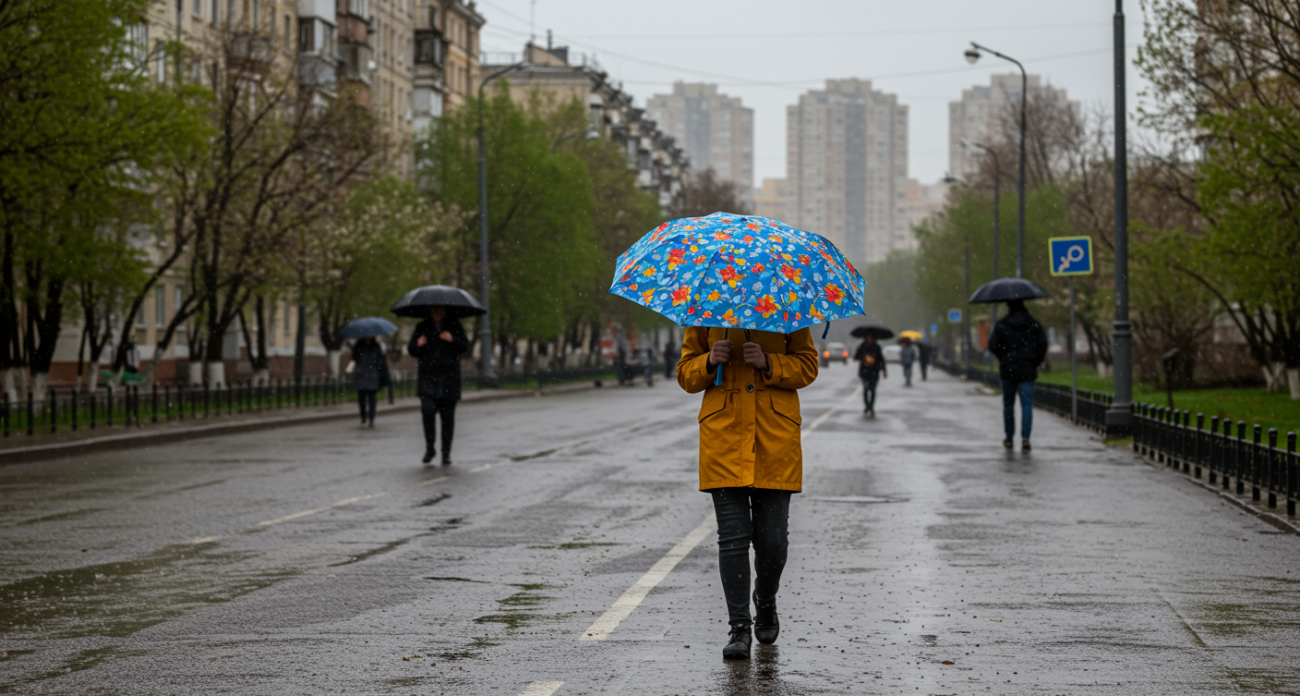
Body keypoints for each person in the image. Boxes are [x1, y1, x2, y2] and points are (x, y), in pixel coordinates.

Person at [677, 326, 818, 661]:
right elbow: (685, 374)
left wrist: (770, 362)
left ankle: (765, 600)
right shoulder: (705, 307)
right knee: (733, 537)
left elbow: (808, 366)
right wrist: (709, 362)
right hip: (723, 437)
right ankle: (739, 628)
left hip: (775, 438)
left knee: (773, 540)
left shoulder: (786, 306)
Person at [407, 305, 469, 465]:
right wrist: (418, 345)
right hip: (428, 377)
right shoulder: (422, 327)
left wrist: (452, 340)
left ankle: (446, 453)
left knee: (448, 418)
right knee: (427, 411)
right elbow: (411, 349)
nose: (437, 314)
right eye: (434, 311)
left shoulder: (454, 326)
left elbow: (464, 347)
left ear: (444, 311)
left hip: (449, 378)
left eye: (439, 311)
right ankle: (430, 448)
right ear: (430, 311)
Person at [987, 299, 1049, 451]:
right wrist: (1035, 360)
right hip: (1027, 369)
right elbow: (1043, 344)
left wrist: (1004, 357)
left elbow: (992, 345)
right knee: (1026, 405)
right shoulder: (1033, 324)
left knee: (1008, 405)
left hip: (1008, 369)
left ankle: (1009, 438)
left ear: (1008, 306)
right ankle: (1025, 439)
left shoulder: (1002, 325)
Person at [351, 337, 390, 428]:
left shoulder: (376, 347)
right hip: (361, 375)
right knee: (362, 399)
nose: (368, 339)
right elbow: (354, 358)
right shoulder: (359, 347)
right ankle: (363, 416)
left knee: (372, 398)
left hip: (373, 375)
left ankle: (371, 417)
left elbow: (381, 361)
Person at [854, 334, 887, 417]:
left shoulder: (877, 347)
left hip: (874, 371)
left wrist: (884, 369)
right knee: (865, 389)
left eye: (872, 338)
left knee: (872, 390)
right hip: (865, 372)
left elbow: (881, 359)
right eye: (868, 337)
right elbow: (856, 357)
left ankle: (871, 406)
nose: (870, 339)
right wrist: (864, 358)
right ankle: (867, 405)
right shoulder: (862, 346)